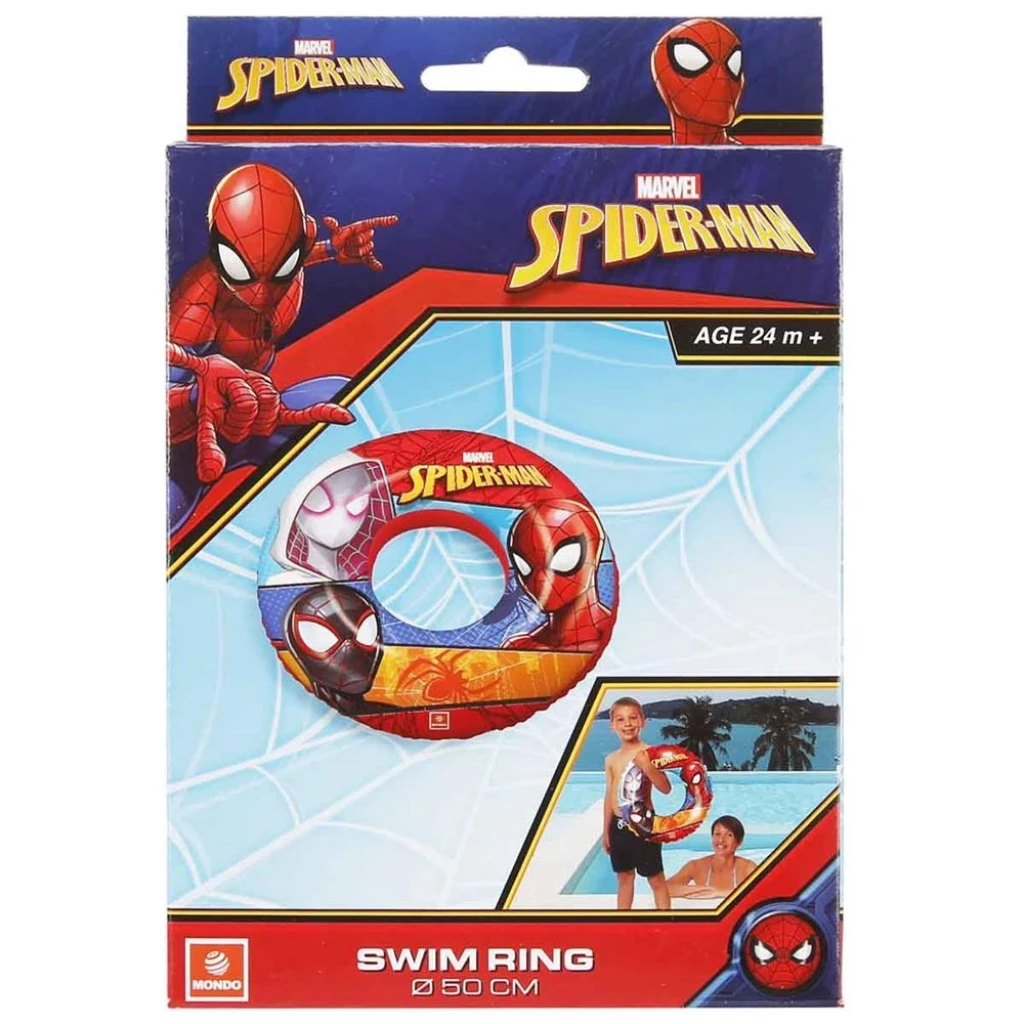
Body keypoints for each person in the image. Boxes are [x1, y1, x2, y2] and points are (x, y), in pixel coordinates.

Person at [602, 697, 672, 910]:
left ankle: (667, 924)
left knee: (656, 879)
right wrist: (606, 830)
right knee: (624, 878)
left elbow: (665, 788)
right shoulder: (611, 759)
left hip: (644, 825)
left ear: (643, 721)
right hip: (618, 826)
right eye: (621, 719)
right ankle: (622, 924)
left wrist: (647, 766)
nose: (628, 724)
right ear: (612, 725)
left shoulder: (649, 753)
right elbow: (610, 795)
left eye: (633, 718)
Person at [666, 814, 756, 899]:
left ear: (739, 842)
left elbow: (760, 893)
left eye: (729, 835)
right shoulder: (696, 866)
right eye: (717, 834)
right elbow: (665, 888)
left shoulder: (747, 868)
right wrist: (701, 889)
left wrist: (719, 893)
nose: (721, 840)